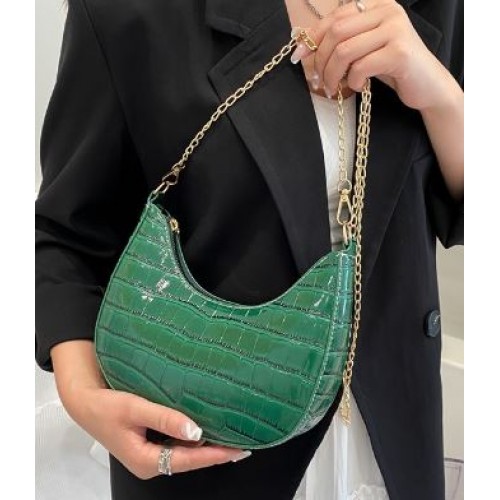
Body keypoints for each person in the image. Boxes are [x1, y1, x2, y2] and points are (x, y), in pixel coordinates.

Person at [35, 0, 463, 498]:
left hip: (392, 442)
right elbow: (66, 234)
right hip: (209, 443)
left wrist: (443, 99)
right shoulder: (130, 11)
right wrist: (83, 395)